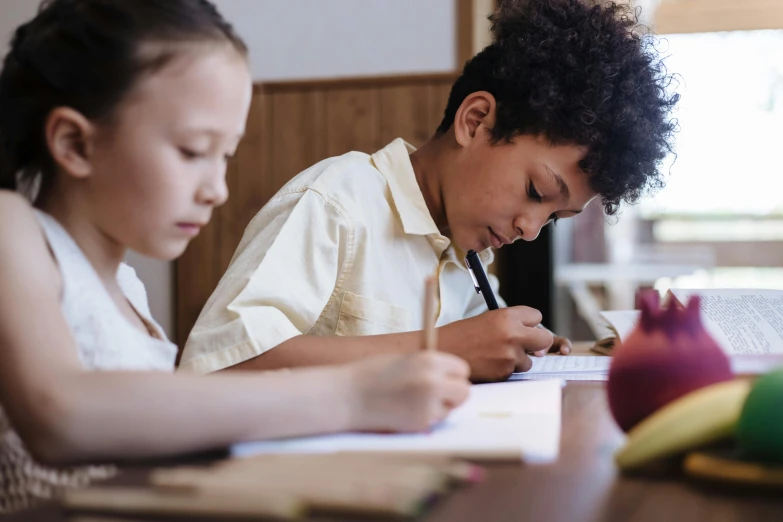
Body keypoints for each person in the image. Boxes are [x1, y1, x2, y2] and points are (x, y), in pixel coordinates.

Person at [0, 0, 470, 513]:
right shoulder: (12, 229)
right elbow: (61, 414)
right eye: (192, 151)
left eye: (225, 156)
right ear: (74, 143)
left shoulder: (127, 288)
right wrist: (353, 395)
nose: (218, 190)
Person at [180, 0, 679, 382]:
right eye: (534, 191)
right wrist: (438, 347)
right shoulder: (336, 203)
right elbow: (216, 367)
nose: (530, 230)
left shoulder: (468, 256)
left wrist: (519, 350)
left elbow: (473, 349)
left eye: (552, 219)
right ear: (476, 120)